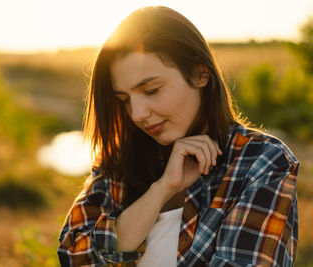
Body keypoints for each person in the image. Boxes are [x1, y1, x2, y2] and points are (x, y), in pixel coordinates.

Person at [57, 5, 300, 267]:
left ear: (199, 74)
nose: (136, 114)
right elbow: (75, 259)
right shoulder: (117, 168)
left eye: (151, 90)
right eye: (124, 99)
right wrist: (162, 190)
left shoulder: (262, 163)